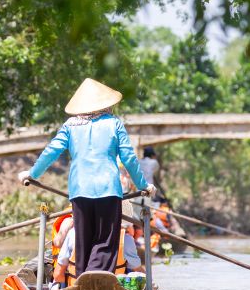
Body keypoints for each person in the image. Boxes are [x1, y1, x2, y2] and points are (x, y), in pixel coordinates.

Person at [18, 78, 155, 279]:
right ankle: (95, 279)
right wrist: (144, 185)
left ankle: (83, 279)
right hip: (108, 190)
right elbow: (128, 158)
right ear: (105, 104)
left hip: (79, 191)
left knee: (83, 242)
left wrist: (32, 174)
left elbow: (51, 151)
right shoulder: (114, 124)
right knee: (105, 242)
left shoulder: (70, 125)